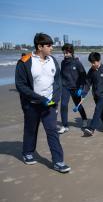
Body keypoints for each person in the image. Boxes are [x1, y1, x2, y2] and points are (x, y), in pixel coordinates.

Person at [15, 33, 71, 173]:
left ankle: (58, 161)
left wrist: (54, 100)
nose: (52, 48)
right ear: (40, 46)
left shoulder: (52, 60)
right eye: (49, 45)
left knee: (52, 131)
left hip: (49, 105)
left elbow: (57, 81)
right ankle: (27, 152)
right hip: (31, 104)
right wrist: (41, 99)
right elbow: (21, 86)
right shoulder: (25, 61)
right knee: (31, 129)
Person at [58, 43, 88, 134]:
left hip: (75, 87)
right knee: (63, 105)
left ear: (71, 52)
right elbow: (62, 75)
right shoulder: (63, 62)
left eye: (67, 53)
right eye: (64, 53)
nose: (65, 55)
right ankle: (65, 125)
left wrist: (81, 87)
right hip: (65, 87)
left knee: (78, 105)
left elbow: (83, 75)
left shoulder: (77, 63)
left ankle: (84, 119)